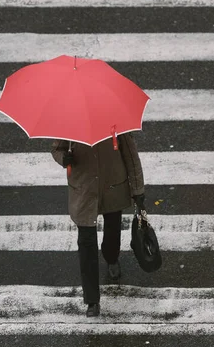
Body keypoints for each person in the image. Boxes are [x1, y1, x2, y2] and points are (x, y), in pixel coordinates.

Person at [51, 133, 145, 317]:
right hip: (83, 189)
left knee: (112, 229)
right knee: (86, 243)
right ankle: (92, 300)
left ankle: (111, 257)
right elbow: (56, 149)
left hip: (113, 186)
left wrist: (137, 190)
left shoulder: (115, 117)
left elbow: (131, 155)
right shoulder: (70, 120)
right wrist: (64, 158)